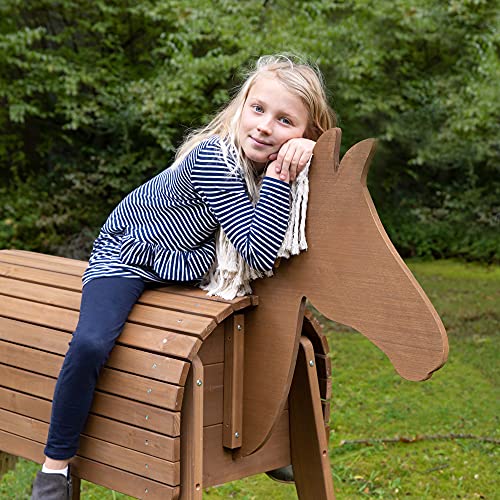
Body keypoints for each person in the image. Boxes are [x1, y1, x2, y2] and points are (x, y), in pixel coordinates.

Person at [31, 53, 336, 499]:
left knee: (271, 319)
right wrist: (281, 172)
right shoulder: (214, 158)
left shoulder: (273, 165)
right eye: (258, 109)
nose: (265, 126)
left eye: (285, 121)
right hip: (129, 251)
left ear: (304, 133)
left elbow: (319, 201)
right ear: (241, 106)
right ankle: (54, 467)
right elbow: (255, 253)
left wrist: (315, 154)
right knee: (92, 341)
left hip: (186, 265)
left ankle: (278, 439)